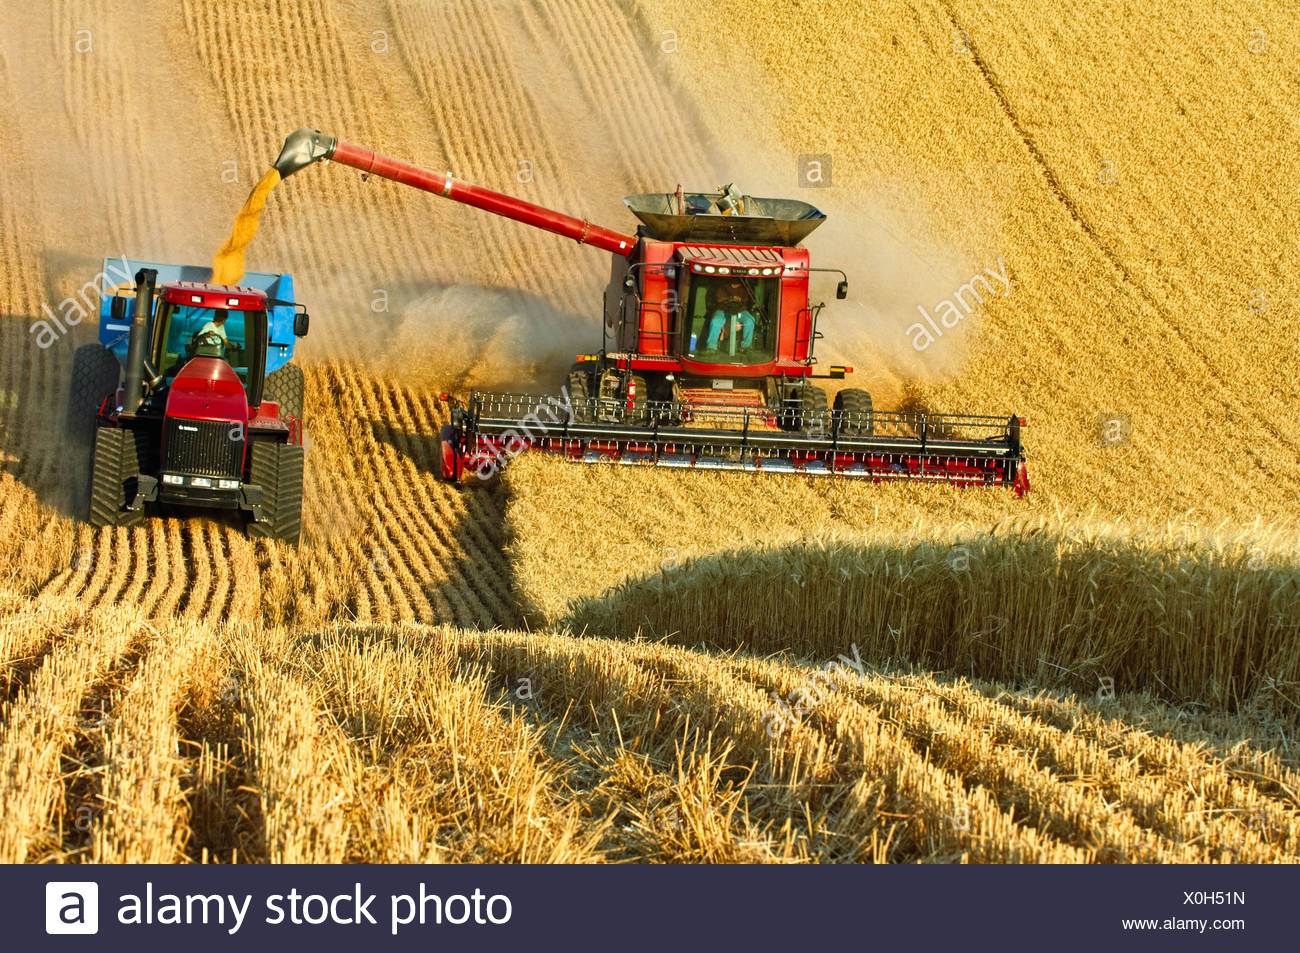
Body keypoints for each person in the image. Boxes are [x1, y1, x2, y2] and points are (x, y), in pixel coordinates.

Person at [704, 278, 756, 351]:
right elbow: (718, 299)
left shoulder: (745, 287)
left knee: (750, 321)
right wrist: (729, 299)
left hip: (740, 311)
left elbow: (748, 301)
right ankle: (711, 347)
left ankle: (745, 346)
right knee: (716, 321)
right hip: (723, 309)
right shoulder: (723, 286)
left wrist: (739, 301)